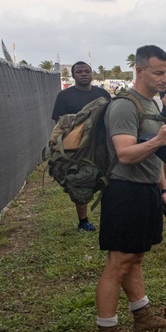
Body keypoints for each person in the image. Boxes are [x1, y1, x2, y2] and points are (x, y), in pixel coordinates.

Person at [95, 46, 166, 332]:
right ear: (140, 71)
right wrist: (160, 139)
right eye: (158, 72)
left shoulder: (152, 103)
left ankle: (142, 316)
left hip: (146, 190)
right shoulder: (124, 106)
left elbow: (153, 156)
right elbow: (125, 153)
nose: (164, 78)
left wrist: (163, 188)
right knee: (118, 263)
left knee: (136, 257)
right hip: (124, 192)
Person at [52, 61, 111, 232]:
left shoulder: (102, 93)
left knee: (107, 178)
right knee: (81, 181)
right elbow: (60, 124)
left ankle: (108, 216)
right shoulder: (64, 96)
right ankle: (83, 221)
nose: (84, 74)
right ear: (73, 75)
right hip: (78, 148)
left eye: (87, 71)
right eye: (79, 72)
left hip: (101, 145)